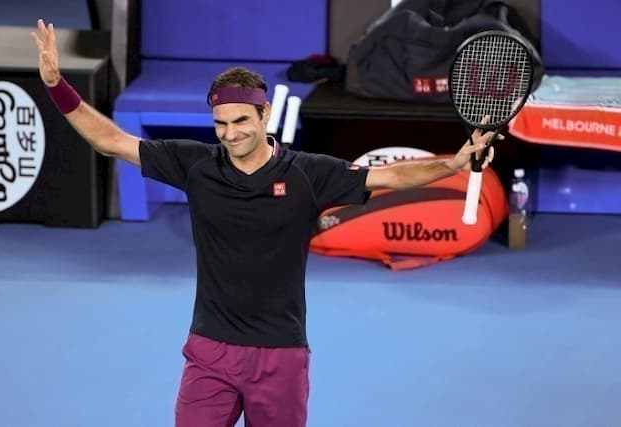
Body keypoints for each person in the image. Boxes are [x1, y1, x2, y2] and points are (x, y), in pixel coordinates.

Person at [31, 18, 497, 427]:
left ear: (264, 114)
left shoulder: (309, 174)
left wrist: (453, 164)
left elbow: (392, 174)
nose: (230, 133)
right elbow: (111, 140)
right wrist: (57, 85)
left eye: (240, 120)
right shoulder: (194, 164)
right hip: (210, 349)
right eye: (219, 123)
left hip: (281, 354)